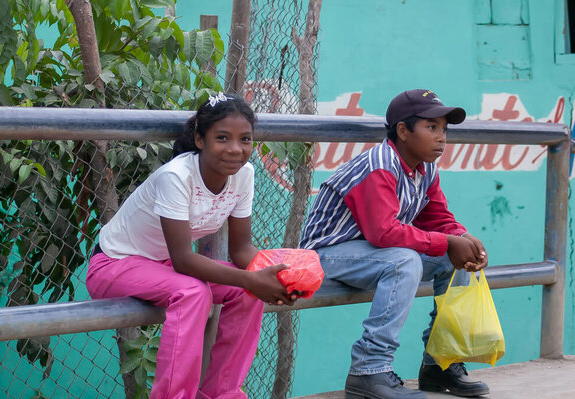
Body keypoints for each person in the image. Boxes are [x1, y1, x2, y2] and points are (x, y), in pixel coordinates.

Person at [86, 92, 297, 399]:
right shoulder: (176, 177)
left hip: (163, 265)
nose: (236, 149)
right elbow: (185, 260)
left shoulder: (244, 175)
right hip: (114, 264)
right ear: (200, 138)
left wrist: (276, 275)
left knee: (248, 290)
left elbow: (241, 251)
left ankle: (221, 393)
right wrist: (250, 276)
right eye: (222, 138)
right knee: (194, 293)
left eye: (245, 139)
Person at [300, 89, 490, 399]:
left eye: (444, 129)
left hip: (375, 255)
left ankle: (440, 364)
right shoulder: (380, 165)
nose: (442, 137)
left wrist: (464, 239)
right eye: (432, 128)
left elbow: (437, 217)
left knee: (456, 261)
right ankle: (368, 370)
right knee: (404, 260)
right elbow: (384, 233)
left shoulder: (426, 167)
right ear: (403, 131)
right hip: (326, 254)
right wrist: (447, 241)